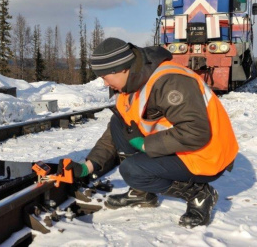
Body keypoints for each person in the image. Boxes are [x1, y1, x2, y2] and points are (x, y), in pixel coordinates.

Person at [59, 37, 238, 228]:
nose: (104, 83)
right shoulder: (128, 87)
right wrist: (89, 166)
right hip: (180, 147)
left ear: (122, 69)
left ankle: (198, 193)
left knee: (131, 170)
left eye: (105, 76)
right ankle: (142, 192)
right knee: (117, 124)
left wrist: (145, 145)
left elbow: (195, 132)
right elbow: (116, 131)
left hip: (206, 155)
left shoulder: (170, 81)